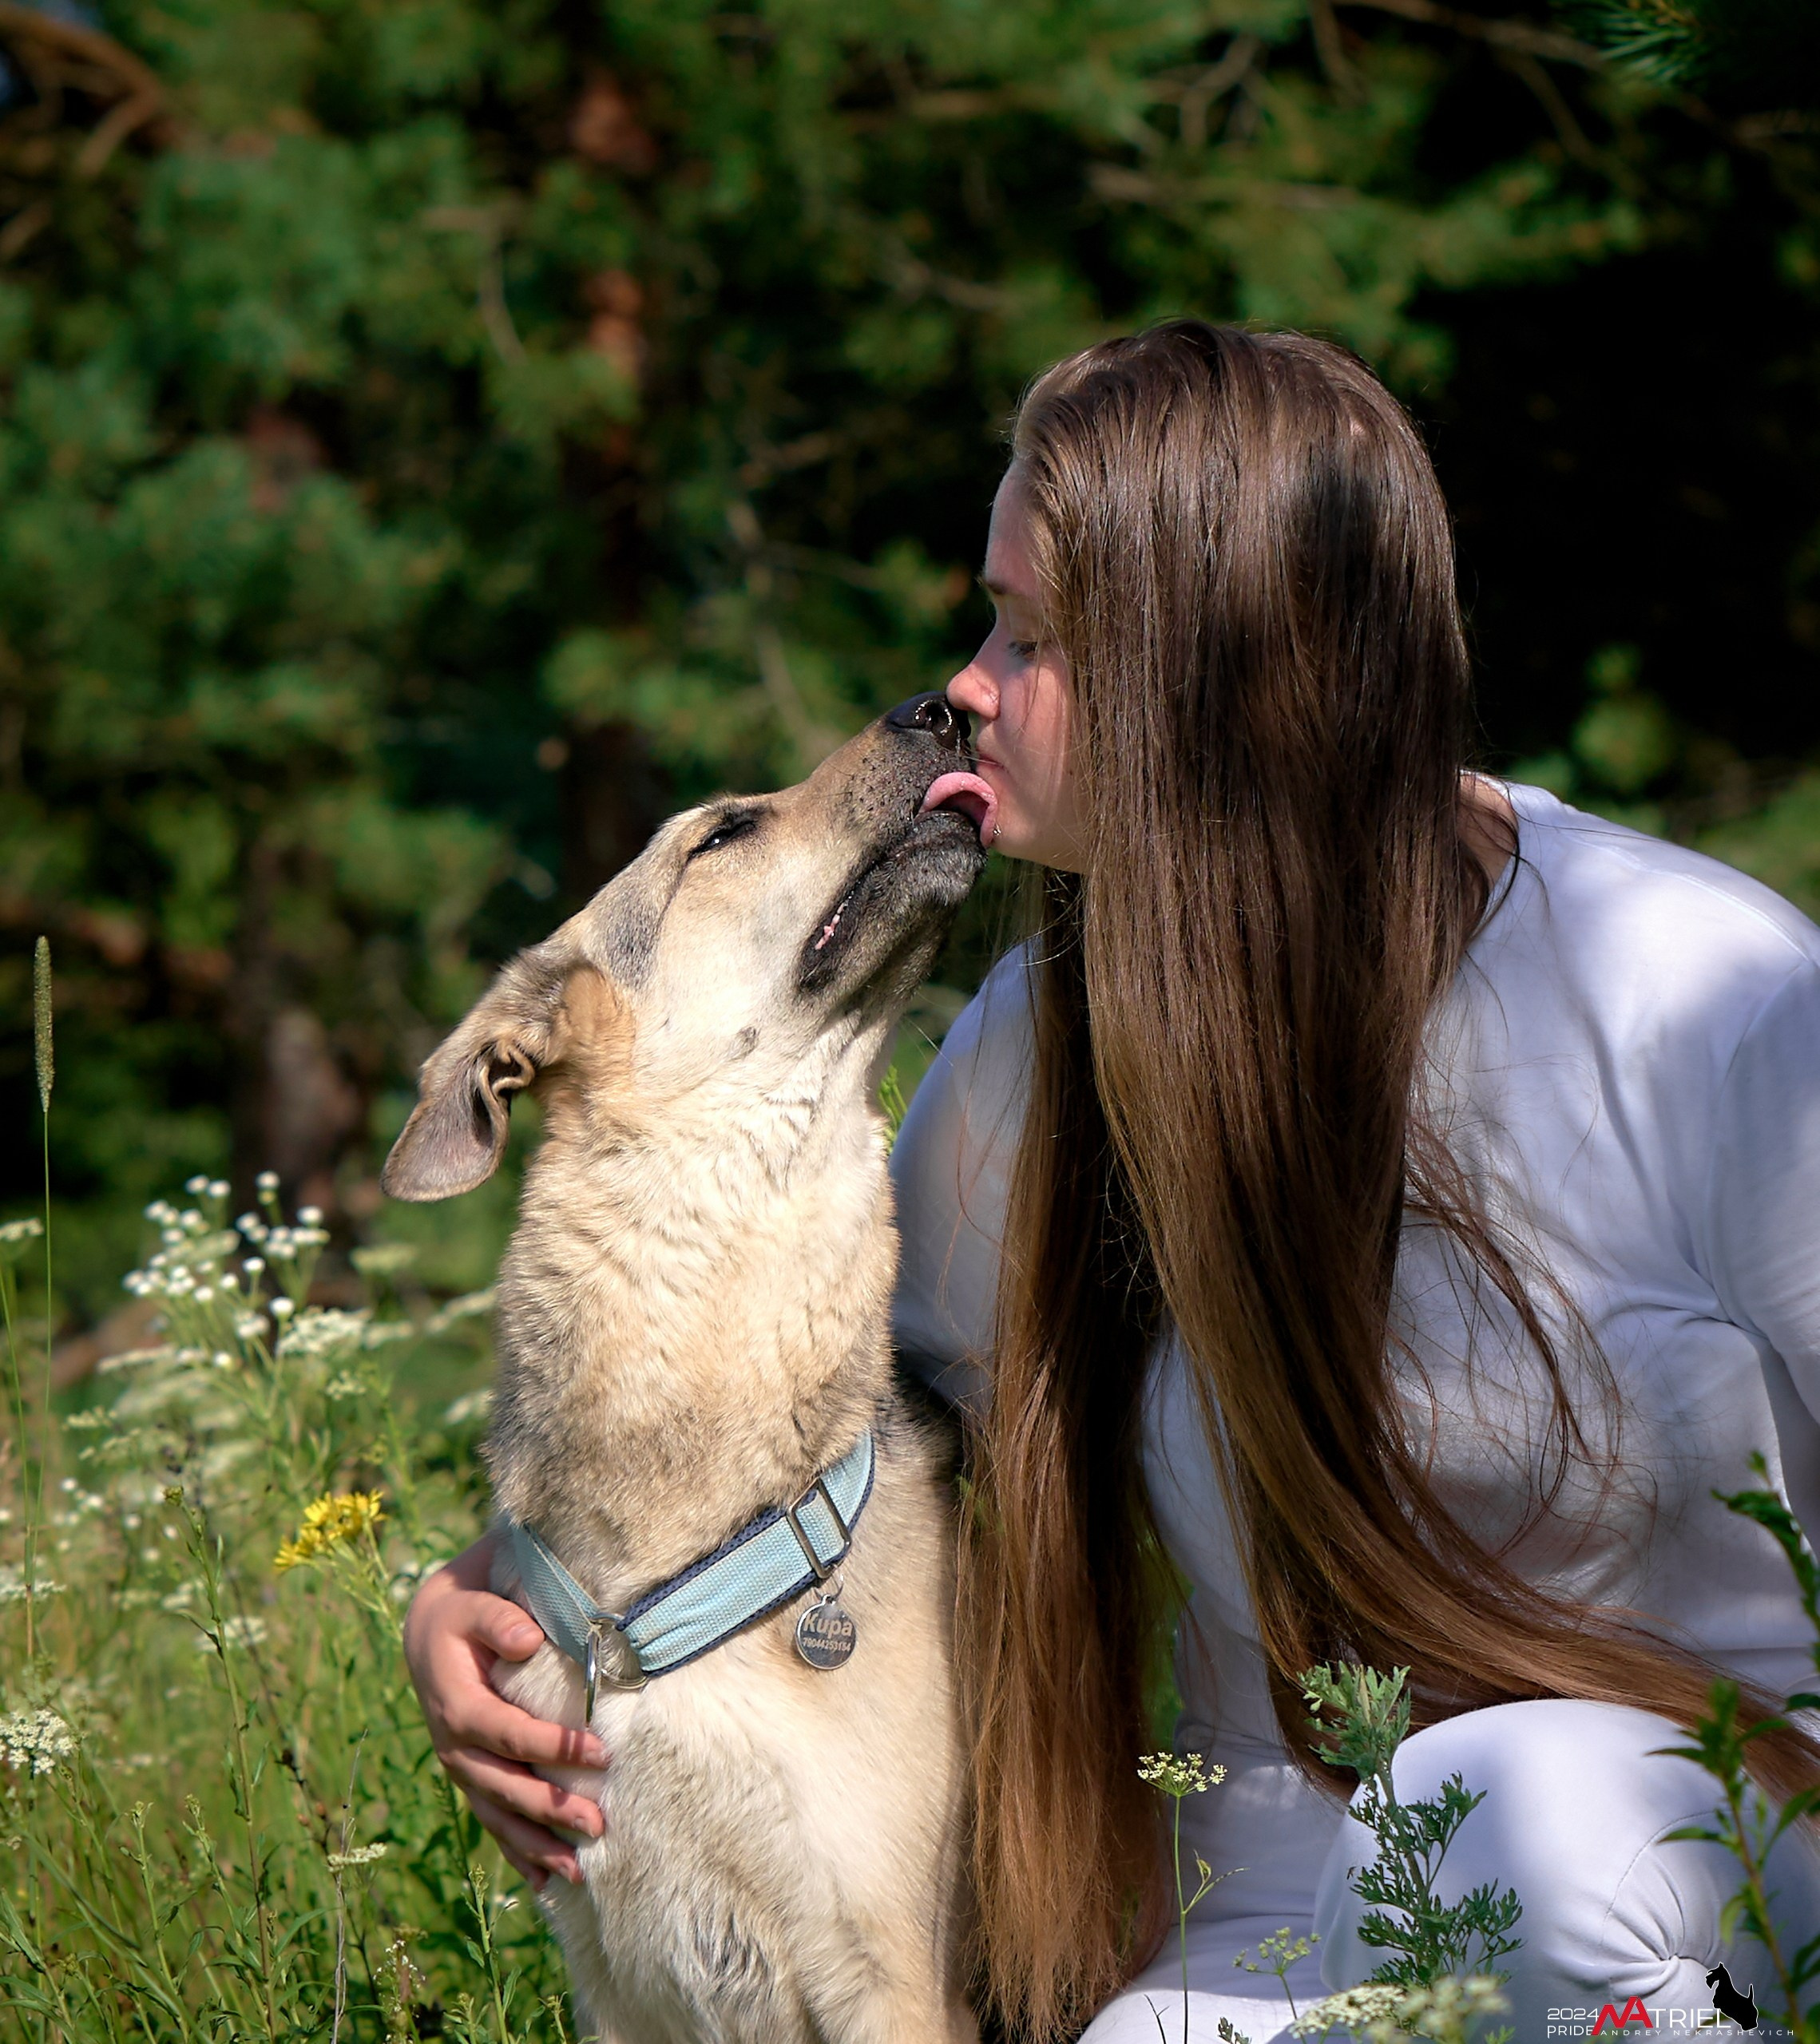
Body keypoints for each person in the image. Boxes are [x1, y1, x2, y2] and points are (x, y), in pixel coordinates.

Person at [403, 321, 1820, 2042]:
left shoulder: (1702, 998)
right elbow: (797, 1440)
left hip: (1717, 1855)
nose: (970, 684)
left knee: (1506, 1825)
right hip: (1274, 1908)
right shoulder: (1032, 1057)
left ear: (1226, 672)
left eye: (1036, 637)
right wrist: (488, 1594)